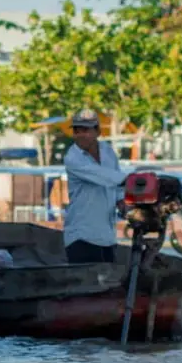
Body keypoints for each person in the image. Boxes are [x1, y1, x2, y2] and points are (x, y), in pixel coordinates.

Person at [63, 109, 126, 263]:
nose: (80, 135)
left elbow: (117, 187)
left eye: (85, 130)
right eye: (76, 131)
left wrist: (122, 203)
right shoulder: (73, 158)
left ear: (97, 131)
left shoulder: (108, 151)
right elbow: (105, 177)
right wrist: (134, 180)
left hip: (108, 237)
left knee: (110, 284)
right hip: (82, 236)